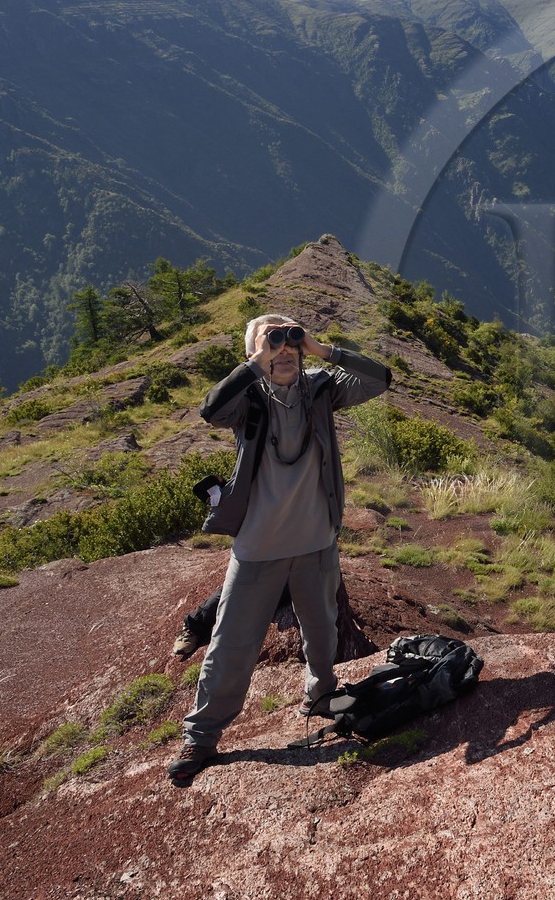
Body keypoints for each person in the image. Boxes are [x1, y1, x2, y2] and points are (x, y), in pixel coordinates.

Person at [168, 314, 390, 781]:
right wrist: (257, 364)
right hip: (257, 547)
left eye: (290, 339)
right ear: (252, 353)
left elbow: (380, 379)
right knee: (231, 645)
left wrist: (322, 350)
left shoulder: (321, 387)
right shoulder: (247, 398)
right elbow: (210, 409)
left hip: (317, 542)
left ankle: (321, 695)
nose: (283, 349)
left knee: (322, 632)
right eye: (271, 342)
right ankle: (201, 737)